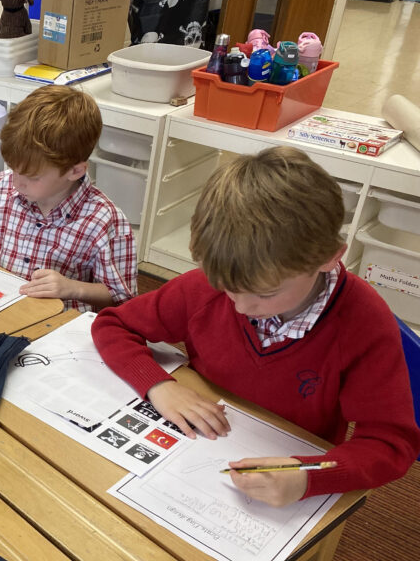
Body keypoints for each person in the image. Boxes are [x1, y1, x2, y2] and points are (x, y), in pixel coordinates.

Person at [92, 146, 419, 506]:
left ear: (328, 259)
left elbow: (391, 443)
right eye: (227, 288)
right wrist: (158, 385)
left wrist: (311, 475)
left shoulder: (363, 322)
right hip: (204, 449)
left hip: (287, 471)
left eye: (265, 294)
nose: (241, 306)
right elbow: (112, 325)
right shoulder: (205, 288)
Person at [0, 85, 136, 311]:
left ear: (75, 172)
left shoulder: (105, 221)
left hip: (56, 326)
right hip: (0, 308)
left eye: (32, 176)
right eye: (14, 169)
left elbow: (121, 296)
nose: (17, 182)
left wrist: (71, 288)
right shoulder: (4, 188)